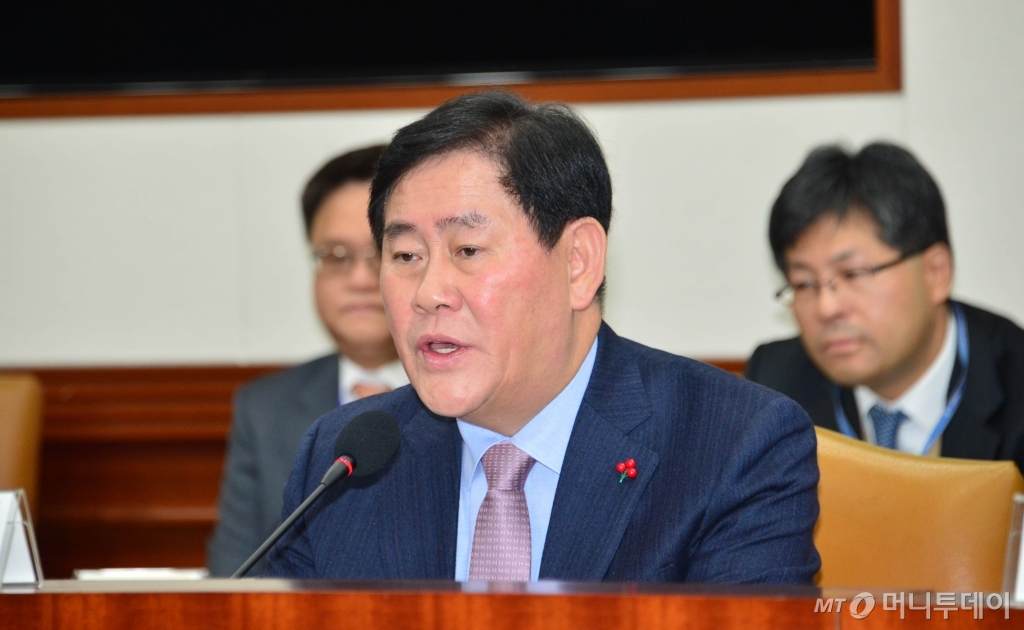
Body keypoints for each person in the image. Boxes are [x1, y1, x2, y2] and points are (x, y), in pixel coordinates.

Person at [265, 91, 820, 584]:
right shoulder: (340, 465)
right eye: (406, 256)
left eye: (468, 250)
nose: (428, 293)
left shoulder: (733, 446)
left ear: (578, 262)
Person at [746, 142, 1024, 470]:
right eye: (804, 283)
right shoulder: (774, 388)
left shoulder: (1016, 382)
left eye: (853, 273)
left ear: (936, 273)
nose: (827, 308)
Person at [207, 145, 409, 577]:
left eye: (381, 252)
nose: (360, 279)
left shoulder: (467, 393)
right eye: (336, 255)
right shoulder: (265, 409)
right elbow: (233, 576)